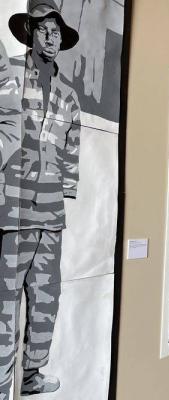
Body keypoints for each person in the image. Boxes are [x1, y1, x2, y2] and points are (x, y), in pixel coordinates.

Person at [0, 2, 81, 396]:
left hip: (51, 215)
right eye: (44, 29)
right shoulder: (10, 74)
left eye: (57, 31)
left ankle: (30, 378)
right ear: (30, 31)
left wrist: (67, 189)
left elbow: (71, 146)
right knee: (4, 300)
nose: (51, 36)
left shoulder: (68, 93)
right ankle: (1, 383)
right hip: (12, 210)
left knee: (46, 298)